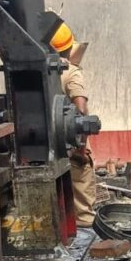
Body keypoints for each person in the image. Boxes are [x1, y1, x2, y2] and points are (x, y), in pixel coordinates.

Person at [50, 22, 96, 227]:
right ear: (69, 49)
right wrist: (81, 148)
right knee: (82, 209)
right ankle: (85, 229)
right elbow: (82, 110)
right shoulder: (70, 72)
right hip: (70, 143)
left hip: (48, 146)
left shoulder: (39, 70)